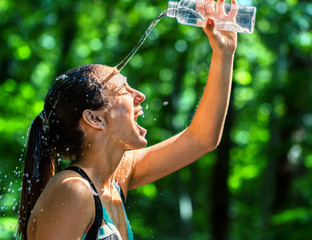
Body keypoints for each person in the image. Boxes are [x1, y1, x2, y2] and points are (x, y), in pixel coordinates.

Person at [17, 0, 238, 239]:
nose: (140, 96)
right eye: (124, 90)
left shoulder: (114, 181)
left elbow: (201, 138)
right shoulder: (72, 190)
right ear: (94, 118)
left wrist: (223, 53)